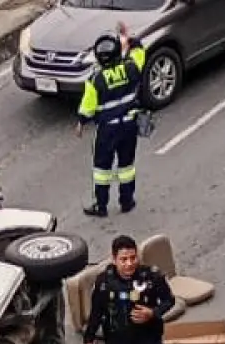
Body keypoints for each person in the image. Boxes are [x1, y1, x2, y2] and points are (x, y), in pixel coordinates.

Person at [76, 24, 146, 217]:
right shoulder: (131, 68)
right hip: (129, 126)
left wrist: (81, 122)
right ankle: (126, 201)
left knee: (102, 169)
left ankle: (101, 205)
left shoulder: (95, 80)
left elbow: (88, 107)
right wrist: (128, 37)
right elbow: (139, 51)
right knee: (126, 166)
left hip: (107, 130)